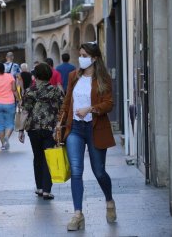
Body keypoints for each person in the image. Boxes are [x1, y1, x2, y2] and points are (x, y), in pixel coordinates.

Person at [56, 42, 116, 231]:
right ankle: (77, 214)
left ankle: (109, 201)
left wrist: (91, 109)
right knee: (76, 171)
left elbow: (109, 104)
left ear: (94, 58)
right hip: (75, 129)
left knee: (99, 172)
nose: (81, 58)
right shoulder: (74, 76)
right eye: (80, 54)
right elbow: (67, 102)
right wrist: (60, 121)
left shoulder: (103, 78)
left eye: (84, 55)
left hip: (95, 128)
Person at [18, 63, 63, 200]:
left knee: (37, 157)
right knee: (48, 157)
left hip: (34, 128)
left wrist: (21, 130)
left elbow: (25, 112)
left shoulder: (30, 91)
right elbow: (61, 110)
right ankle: (47, 191)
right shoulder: (56, 91)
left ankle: (39, 187)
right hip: (50, 128)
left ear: (35, 76)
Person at [0, 63, 18, 150]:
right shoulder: (10, 77)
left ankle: (3, 144)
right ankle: (7, 137)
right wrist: (20, 100)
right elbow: (14, 90)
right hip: (9, 102)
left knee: (0, 125)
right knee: (10, 123)